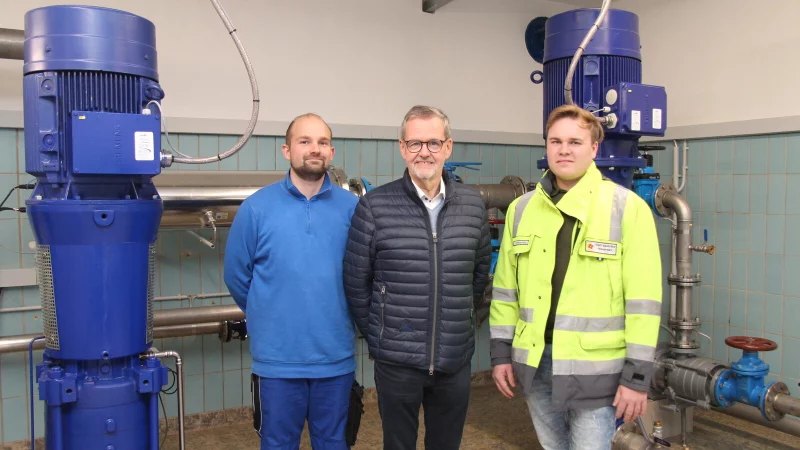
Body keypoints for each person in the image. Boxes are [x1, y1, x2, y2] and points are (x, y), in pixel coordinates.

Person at [489, 104, 662, 450]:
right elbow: (505, 290)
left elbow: (644, 302)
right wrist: (500, 355)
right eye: (555, 141)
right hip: (535, 363)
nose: (564, 149)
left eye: (574, 141)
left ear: (594, 148)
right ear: (546, 147)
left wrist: (637, 378)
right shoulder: (521, 210)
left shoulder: (626, 209)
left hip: (596, 369)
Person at [343, 105, 492, 450]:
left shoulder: (472, 206)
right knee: (398, 445)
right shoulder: (375, 206)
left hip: (454, 360)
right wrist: (381, 336)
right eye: (414, 144)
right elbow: (355, 282)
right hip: (397, 362)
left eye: (433, 143)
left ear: (448, 147)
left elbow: (479, 275)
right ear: (402, 148)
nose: (424, 152)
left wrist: (459, 324)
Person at [224, 113, 357, 450]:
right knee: (278, 443)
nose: (315, 149)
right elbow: (237, 276)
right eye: (305, 141)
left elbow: (363, 274)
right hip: (277, 362)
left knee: (333, 443)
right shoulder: (256, 208)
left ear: (332, 152)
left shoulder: (353, 209)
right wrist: (268, 312)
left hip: (334, 357)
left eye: (322, 142)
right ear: (286, 150)